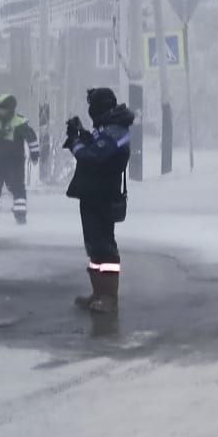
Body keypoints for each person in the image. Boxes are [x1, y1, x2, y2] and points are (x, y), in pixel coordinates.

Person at [64, 87, 135, 314]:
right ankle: (98, 292)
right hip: (92, 193)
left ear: (102, 107)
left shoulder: (116, 130)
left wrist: (75, 143)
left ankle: (109, 297)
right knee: (94, 246)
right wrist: (82, 133)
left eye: (93, 106)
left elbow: (95, 156)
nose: (90, 111)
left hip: (103, 194)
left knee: (105, 247)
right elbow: (96, 145)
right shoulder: (107, 127)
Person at [0, 93, 40, 224]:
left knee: (18, 187)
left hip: (15, 162)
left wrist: (34, 154)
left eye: (2, 108)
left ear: (10, 108)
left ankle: (20, 216)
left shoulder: (19, 122)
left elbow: (31, 138)